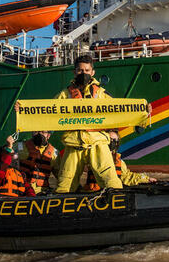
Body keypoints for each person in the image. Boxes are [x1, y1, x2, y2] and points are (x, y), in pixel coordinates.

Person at [53, 55, 125, 193]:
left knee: (110, 180)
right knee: (64, 185)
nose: (83, 73)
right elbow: (45, 111)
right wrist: (23, 110)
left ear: (92, 72)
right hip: (73, 145)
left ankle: (117, 204)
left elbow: (118, 110)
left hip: (97, 143)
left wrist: (143, 109)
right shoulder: (64, 94)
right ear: (74, 72)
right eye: (80, 70)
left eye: (87, 70)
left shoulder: (102, 94)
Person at [83, 130, 155, 191]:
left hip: (110, 193)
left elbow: (127, 177)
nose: (111, 143)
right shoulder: (93, 155)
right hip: (92, 193)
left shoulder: (118, 161)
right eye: (109, 139)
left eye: (114, 141)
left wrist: (146, 179)